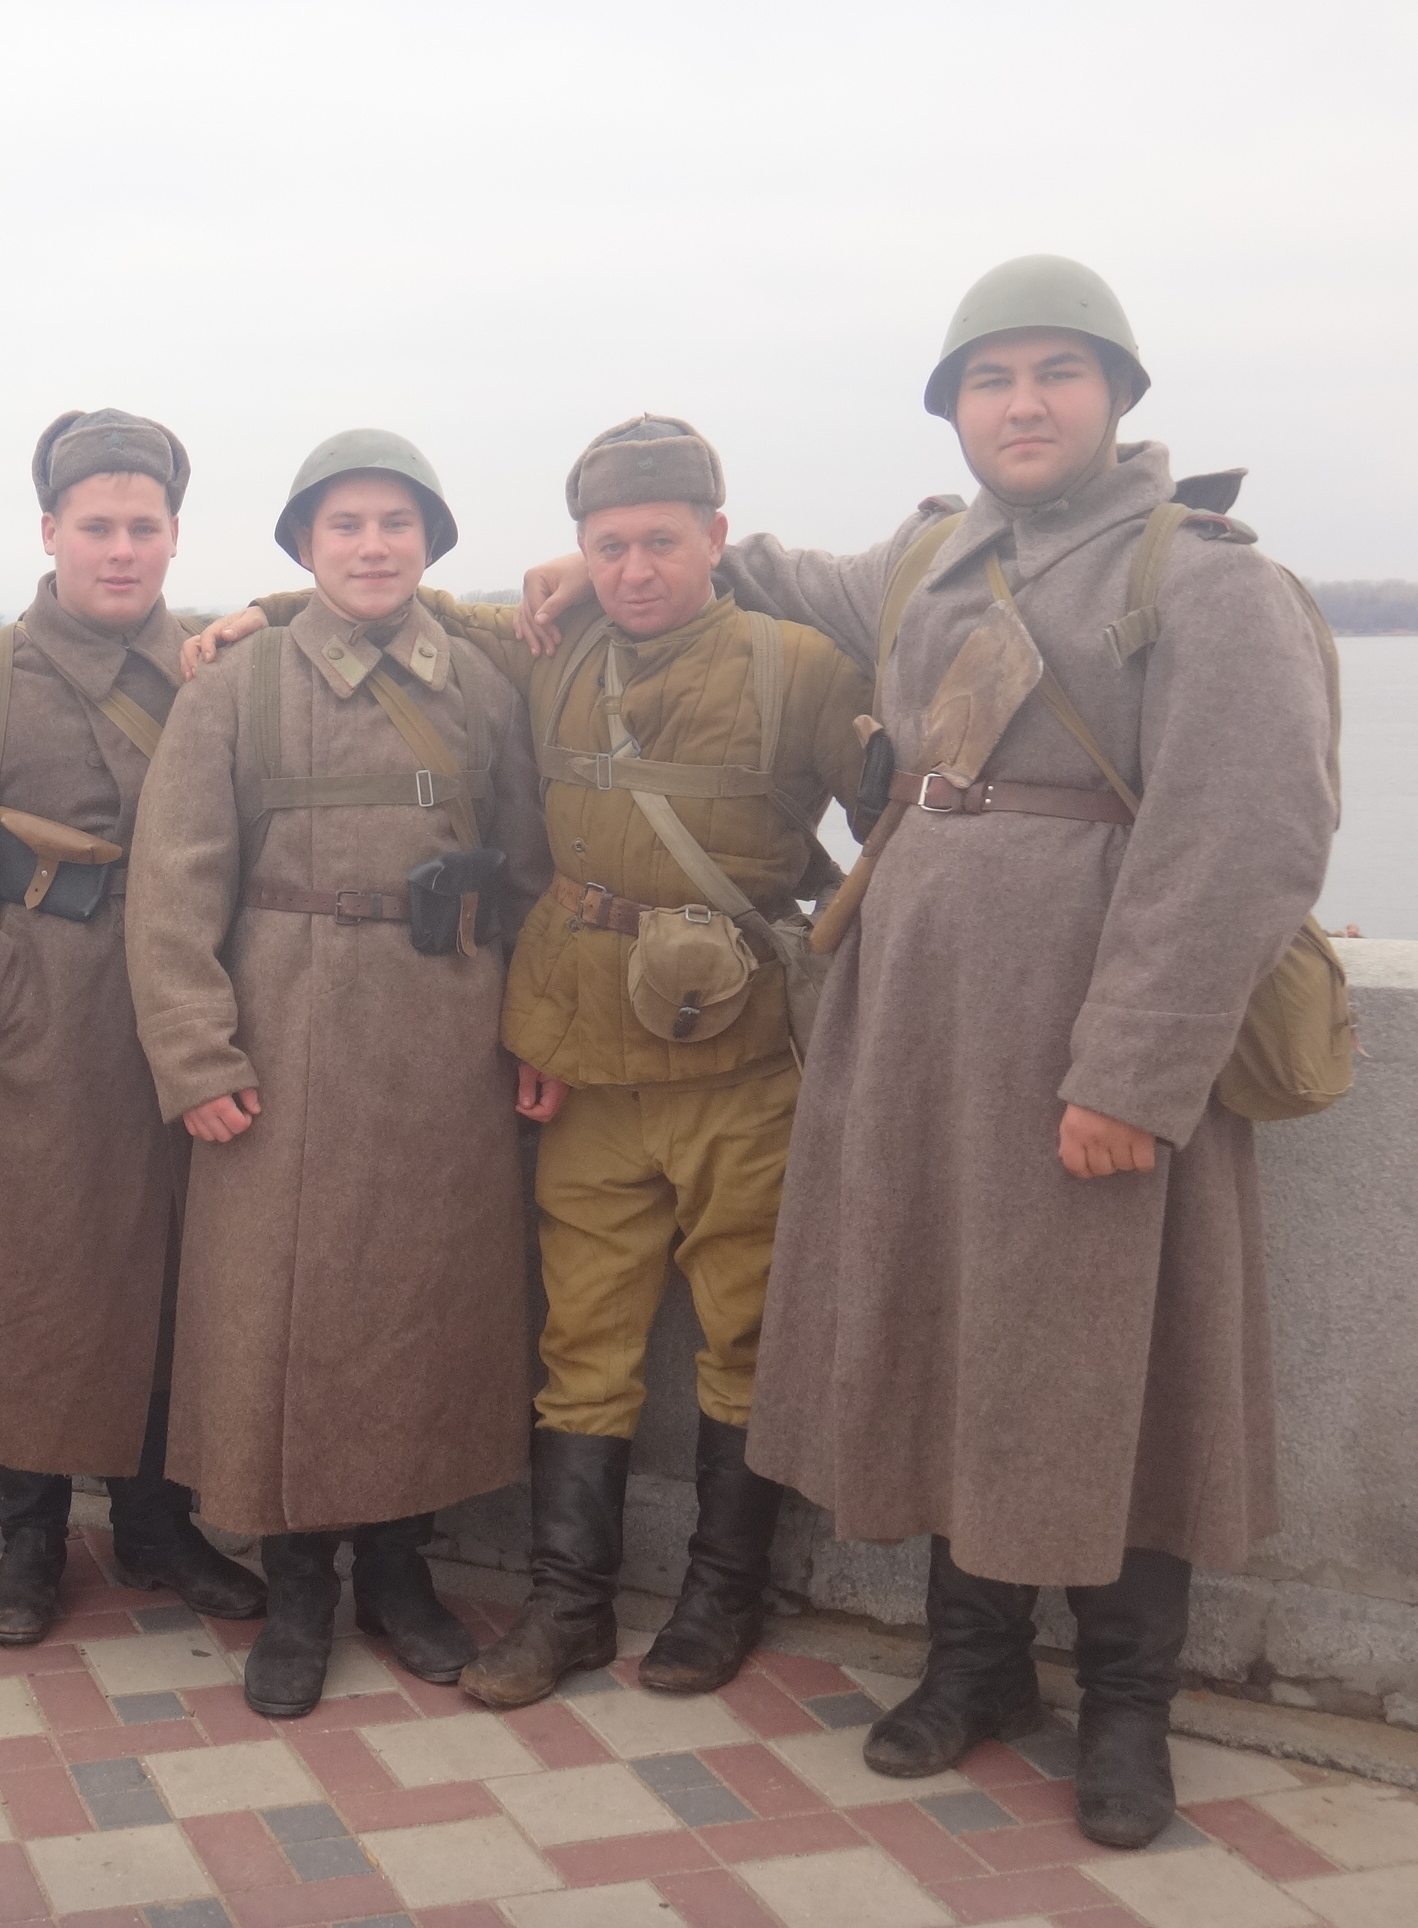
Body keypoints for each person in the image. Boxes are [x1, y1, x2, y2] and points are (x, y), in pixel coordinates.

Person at [516, 258, 1338, 1846]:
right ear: (953, 409)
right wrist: (577, 557)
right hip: (924, 1039)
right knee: (961, 1337)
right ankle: (976, 1666)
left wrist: (1134, 1074)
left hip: (1091, 1039)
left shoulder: (1204, 580)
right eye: (989, 379)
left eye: (1055, 373)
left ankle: (1126, 1707)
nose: (1021, 404)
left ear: (1117, 395)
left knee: (1114, 1368)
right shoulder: (928, 562)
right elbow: (754, 564)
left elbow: (1245, 839)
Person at [185, 419, 870, 1709]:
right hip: (585, 1063)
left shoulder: (804, 666)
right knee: (582, 1340)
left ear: (717, 539)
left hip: (743, 1062)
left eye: (662, 541)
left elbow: (900, 820)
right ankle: (567, 1609)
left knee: (746, 1336)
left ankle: (721, 1599)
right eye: (608, 546)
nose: (635, 569)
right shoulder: (549, 654)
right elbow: (382, 609)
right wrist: (262, 611)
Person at [125, 432, 545, 1716]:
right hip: (283, 1043)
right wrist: (196, 1053)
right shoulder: (234, 687)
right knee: (281, 1324)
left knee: (426, 1314)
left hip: (443, 1043)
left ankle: (401, 1577)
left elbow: (530, 874)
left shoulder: (484, 686)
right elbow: (173, 885)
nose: (372, 546)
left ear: (432, 543)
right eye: (346, 525)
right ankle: (298, 1587)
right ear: (304, 545)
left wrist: (535, 1030)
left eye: (396, 523)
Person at [0, 409, 264, 1646]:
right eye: (96, 527)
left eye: (143, 527)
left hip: (196, 1017)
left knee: (184, 1275)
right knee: (38, 1284)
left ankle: (156, 1524)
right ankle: (30, 1537)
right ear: (49, 532)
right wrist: (1, 990)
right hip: (43, 1032)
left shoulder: (226, 671)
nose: (120, 551)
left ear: (175, 536)